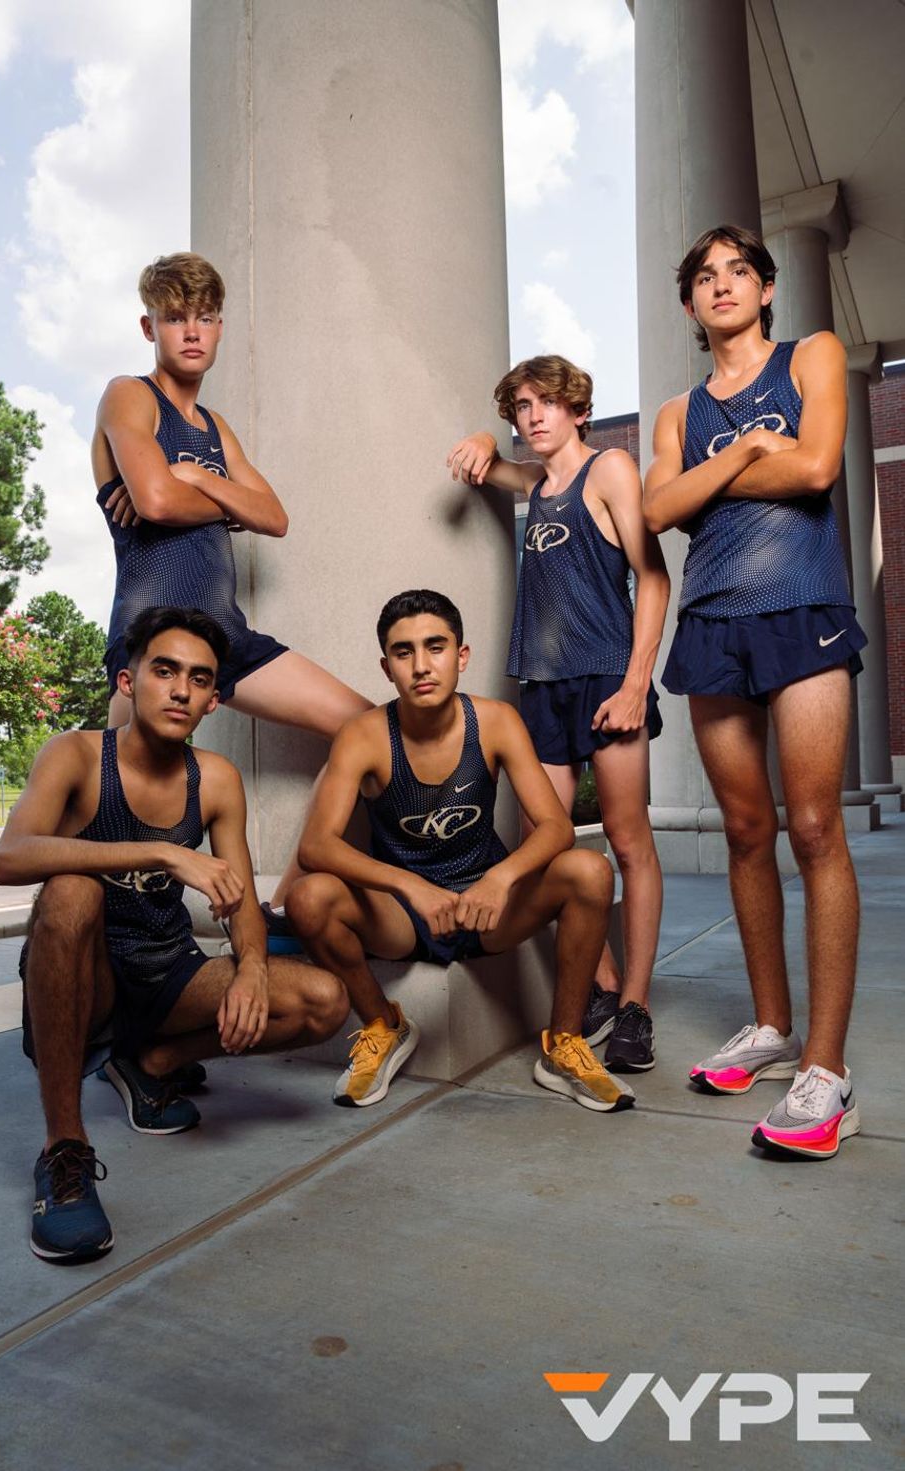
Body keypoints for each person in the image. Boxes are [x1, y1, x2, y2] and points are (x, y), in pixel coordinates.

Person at [0, 607, 348, 1263]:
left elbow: (240, 898)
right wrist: (162, 853)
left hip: (168, 974)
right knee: (70, 891)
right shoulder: (75, 755)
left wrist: (250, 969)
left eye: (199, 678)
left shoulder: (215, 778)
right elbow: (10, 857)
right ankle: (64, 1151)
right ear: (128, 681)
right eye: (165, 670)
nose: (181, 689)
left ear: (214, 700)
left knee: (323, 1000)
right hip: (86, 978)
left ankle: (149, 1063)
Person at [643, 223, 866, 1160]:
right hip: (712, 621)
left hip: (803, 607)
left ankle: (827, 1069)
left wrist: (708, 482)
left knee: (813, 827)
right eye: (705, 276)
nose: (723, 284)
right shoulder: (678, 413)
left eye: (739, 271)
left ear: (766, 288)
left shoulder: (811, 356)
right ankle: (772, 1027)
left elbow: (816, 467)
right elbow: (658, 509)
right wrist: (741, 455)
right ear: (690, 303)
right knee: (744, 830)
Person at [91, 252, 371, 913]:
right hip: (151, 640)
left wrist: (193, 476)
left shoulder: (216, 430)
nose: (192, 331)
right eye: (175, 318)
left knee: (366, 729)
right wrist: (219, 498)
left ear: (219, 328)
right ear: (149, 327)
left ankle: (288, 904)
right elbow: (154, 501)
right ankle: (100, 949)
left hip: (225, 636)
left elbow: (274, 517)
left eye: (206, 317)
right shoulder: (130, 395)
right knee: (118, 816)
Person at [284, 588, 633, 1115]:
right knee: (309, 898)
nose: (421, 666)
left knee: (589, 870)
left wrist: (500, 879)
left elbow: (555, 827)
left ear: (461, 656)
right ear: (387, 667)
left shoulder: (495, 721)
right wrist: (410, 886)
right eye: (404, 652)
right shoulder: (363, 735)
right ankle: (384, 1025)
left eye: (436, 647)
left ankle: (564, 1044)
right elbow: (316, 846)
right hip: (403, 916)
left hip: (485, 908)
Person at [445, 357, 670, 1072]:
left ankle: (634, 1006)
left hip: (607, 678)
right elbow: (493, 467)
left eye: (546, 402)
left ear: (577, 409)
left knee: (628, 841)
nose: (534, 415)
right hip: (542, 685)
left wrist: (635, 683)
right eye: (521, 406)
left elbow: (654, 577)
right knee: (542, 842)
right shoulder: (536, 484)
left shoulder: (609, 471)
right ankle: (601, 983)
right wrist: (485, 437)